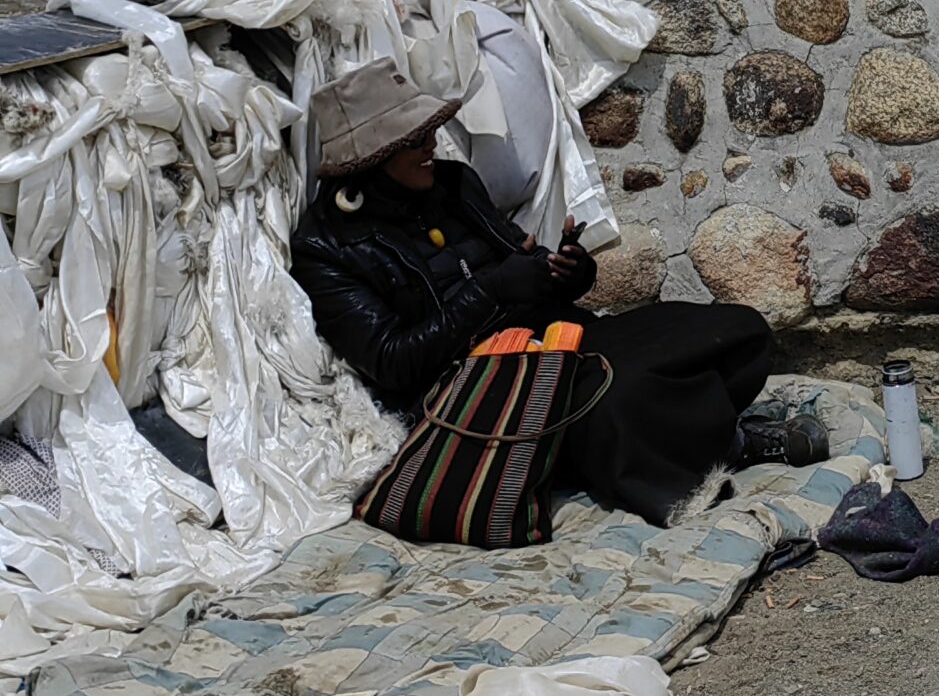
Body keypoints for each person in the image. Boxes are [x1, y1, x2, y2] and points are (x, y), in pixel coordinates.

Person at [290, 57, 825, 526]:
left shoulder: (451, 183)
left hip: (558, 335)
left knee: (734, 330)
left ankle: (691, 437)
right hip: (483, 386)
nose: (431, 145)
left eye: (430, 131)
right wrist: (494, 291)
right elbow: (394, 362)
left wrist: (566, 270)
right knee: (620, 394)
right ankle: (731, 444)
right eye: (414, 140)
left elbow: (516, 262)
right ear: (372, 158)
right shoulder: (327, 248)